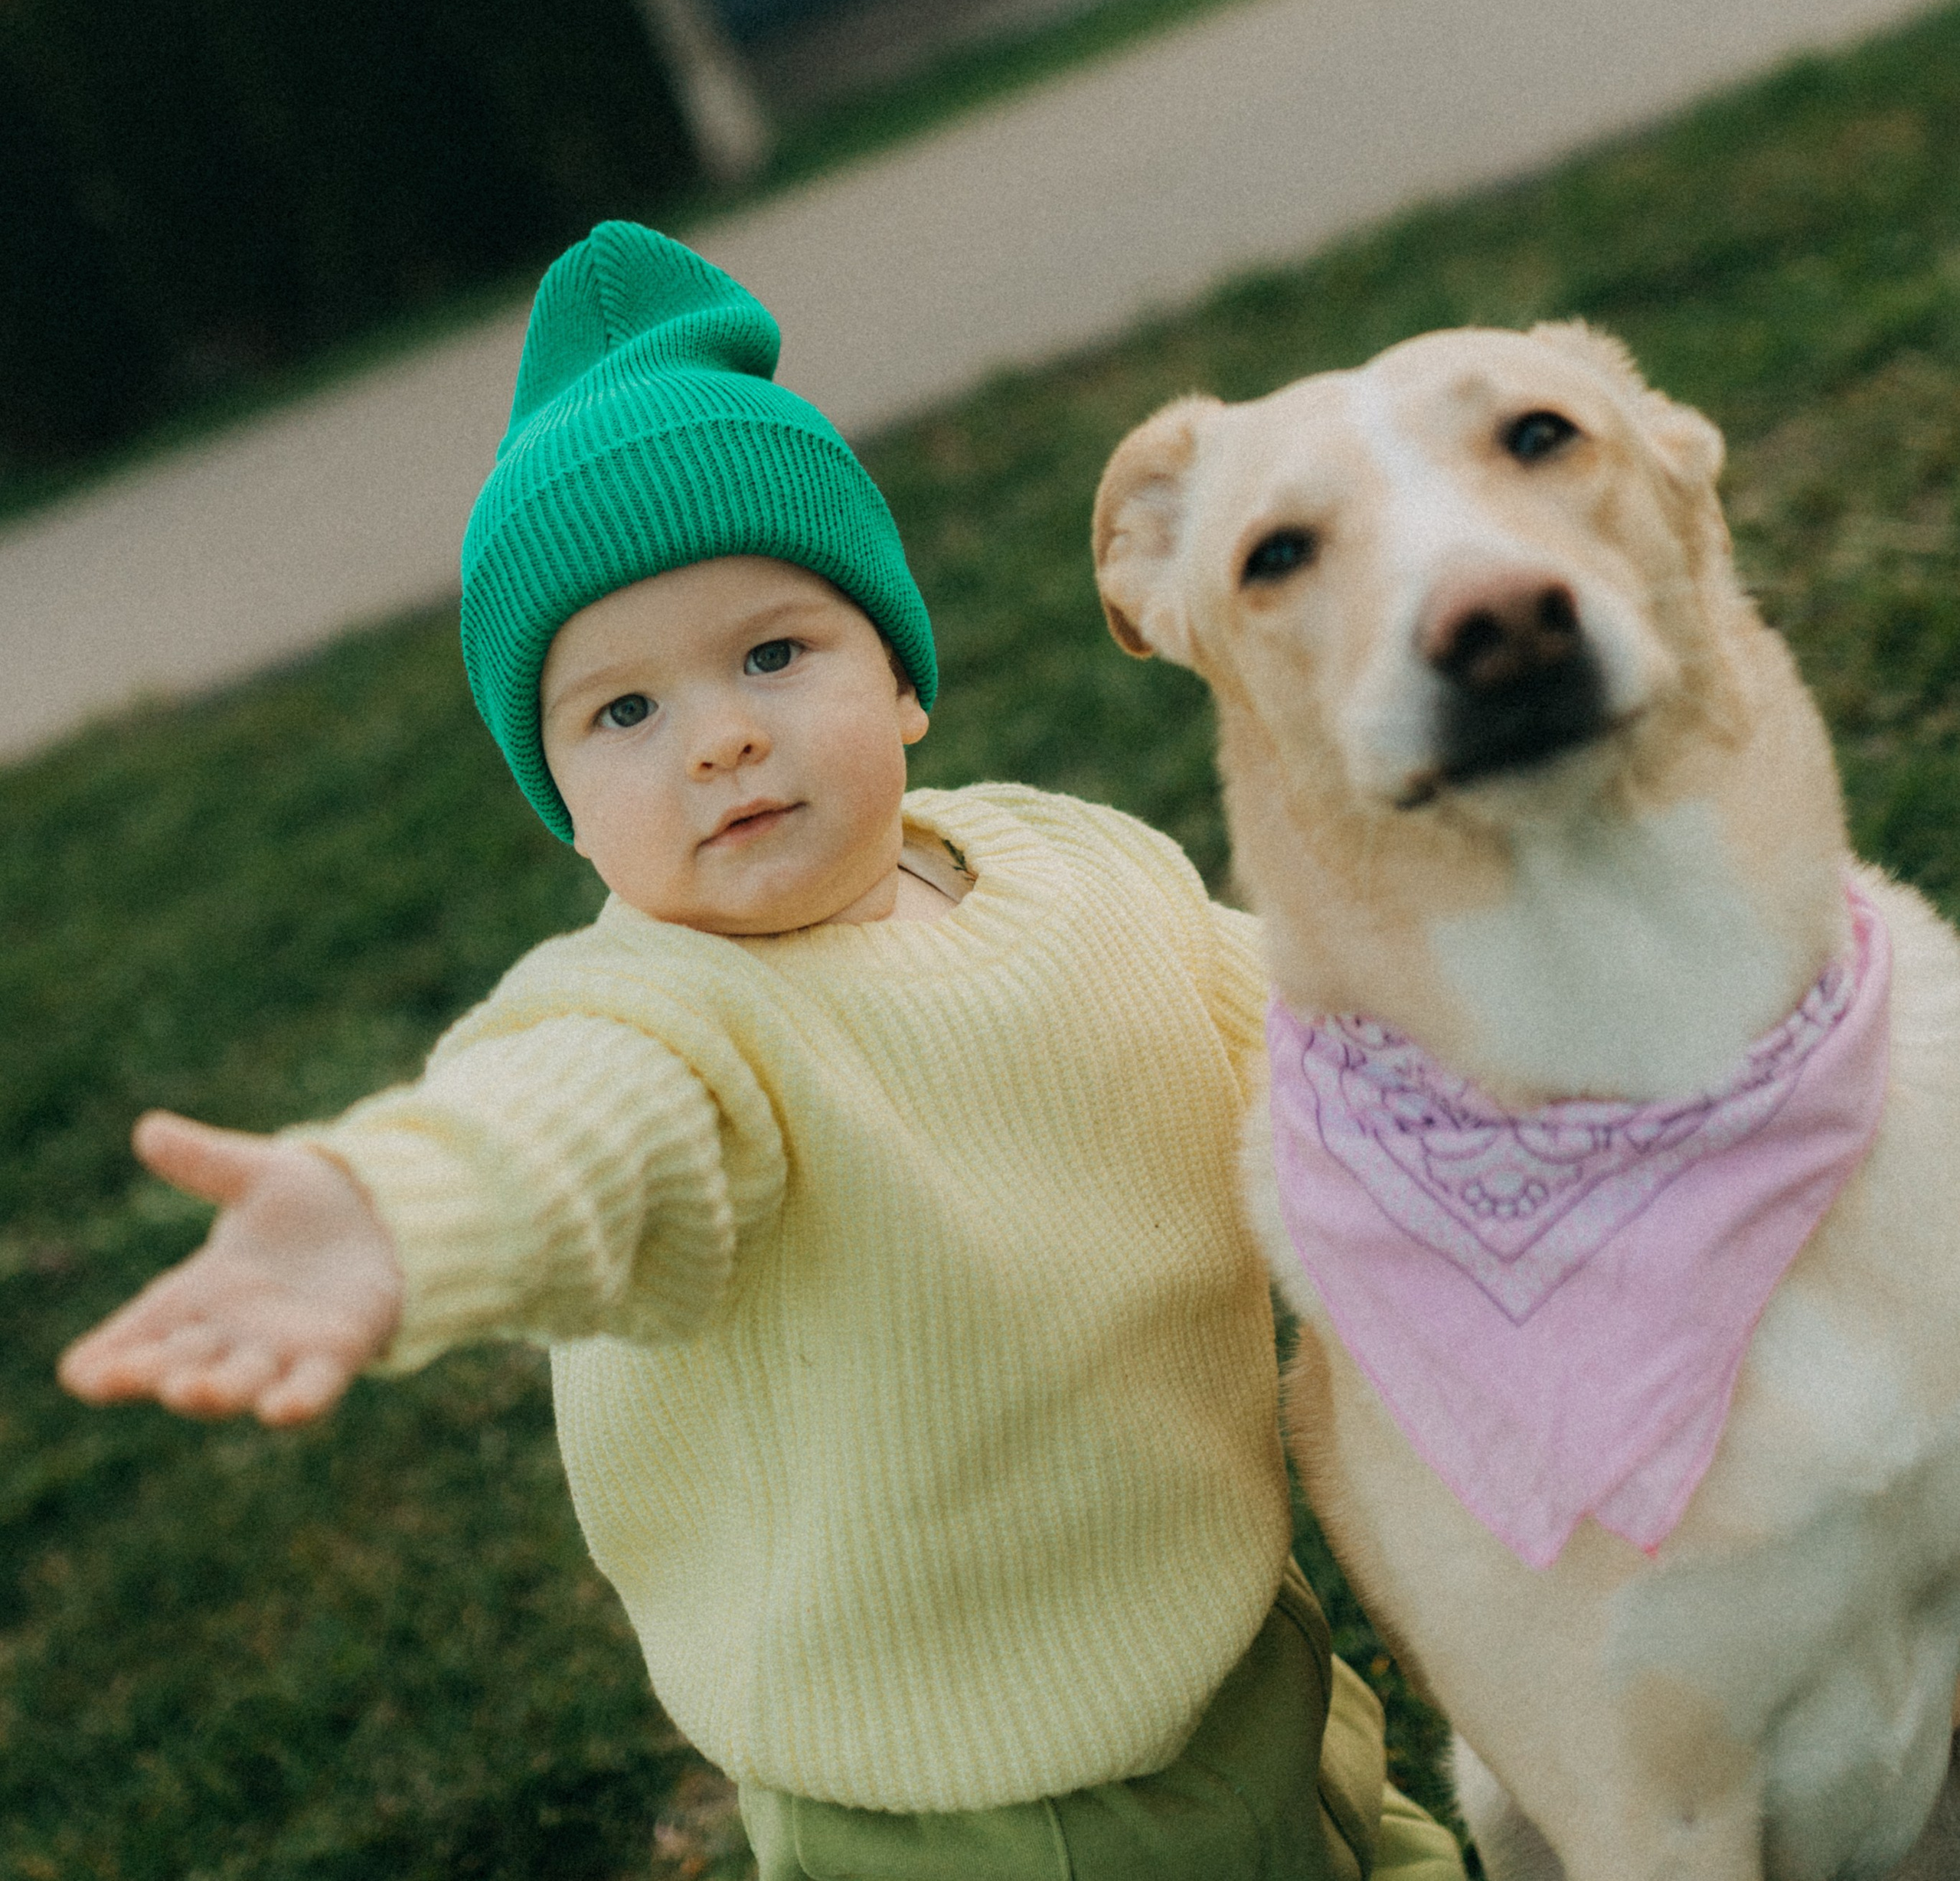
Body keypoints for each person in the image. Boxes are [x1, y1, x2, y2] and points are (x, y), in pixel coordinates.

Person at [61, 221, 1462, 1881]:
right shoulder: (675, 1020)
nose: (719, 732)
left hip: (1244, 1660)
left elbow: (1322, 1046)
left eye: (773, 653)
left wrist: (1501, 1060)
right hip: (974, 1805)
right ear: (565, 809)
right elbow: (562, 1127)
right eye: (622, 713)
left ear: (901, 680)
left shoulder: (1072, 868)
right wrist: (393, 1212)